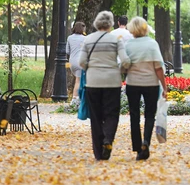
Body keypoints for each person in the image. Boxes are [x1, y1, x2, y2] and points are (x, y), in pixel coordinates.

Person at [78, 10, 128, 161]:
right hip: (112, 82)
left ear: (96, 23)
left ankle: (99, 153)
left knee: (96, 117)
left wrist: (91, 68)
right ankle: (108, 140)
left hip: (93, 82)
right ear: (111, 23)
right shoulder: (115, 39)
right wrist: (118, 70)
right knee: (112, 114)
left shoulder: (88, 40)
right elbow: (125, 60)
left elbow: (81, 62)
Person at [121, 17, 168, 161]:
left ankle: (137, 146)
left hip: (133, 84)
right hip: (151, 84)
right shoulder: (152, 44)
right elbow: (158, 68)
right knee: (149, 115)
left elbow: (124, 65)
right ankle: (146, 142)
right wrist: (164, 87)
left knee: (134, 116)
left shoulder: (128, 45)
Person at [67, 21, 87, 104]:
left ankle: (79, 97)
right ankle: (74, 99)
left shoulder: (69, 38)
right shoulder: (84, 38)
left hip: (72, 62)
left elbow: (67, 51)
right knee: (78, 81)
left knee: (78, 79)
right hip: (80, 62)